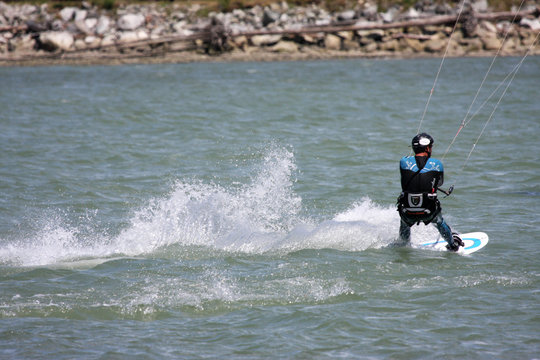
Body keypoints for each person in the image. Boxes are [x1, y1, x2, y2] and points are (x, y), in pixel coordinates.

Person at [397, 133, 464, 251]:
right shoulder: (437, 164)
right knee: (439, 221)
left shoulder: (403, 162)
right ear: (427, 148)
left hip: (407, 212)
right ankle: (453, 245)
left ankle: (403, 244)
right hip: (429, 211)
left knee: (405, 222)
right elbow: (439, 184)